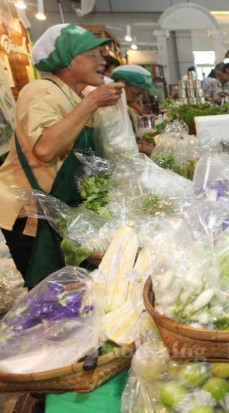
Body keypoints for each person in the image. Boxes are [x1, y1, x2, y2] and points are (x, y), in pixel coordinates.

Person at [0, 24, 124, 288]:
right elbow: (44, 150)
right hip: (31, 216)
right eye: (92, 55)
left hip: (56, 213)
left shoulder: (71, 95)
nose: (102, 61)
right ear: (67, 60)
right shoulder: (40, 91)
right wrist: (91, 103)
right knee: (48, 293)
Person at [111, 64, 157, 155]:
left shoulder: (126, 108)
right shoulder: (109, 109)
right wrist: (142, 147)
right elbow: (112, 146)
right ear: (122, 84)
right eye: (135, 93)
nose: (137, 99)